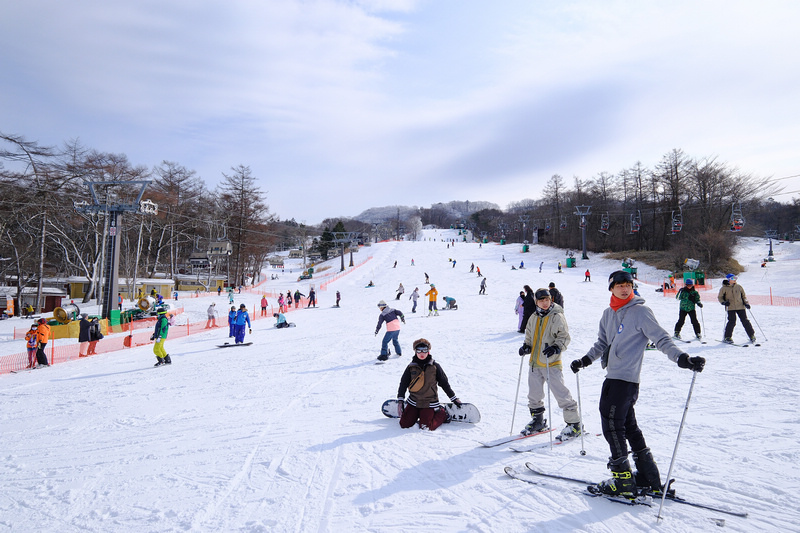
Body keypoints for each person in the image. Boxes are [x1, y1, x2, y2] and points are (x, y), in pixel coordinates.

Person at [570, 270, 706, 498]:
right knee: (629, 427)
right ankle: (648, 477)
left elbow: (661, 338)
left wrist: (683, 359)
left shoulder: (641, 312)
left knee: (612, 426)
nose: (624, 288)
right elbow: (602, 342)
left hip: (626, 380)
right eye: (619, 285)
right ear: (611, 288)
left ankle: (623, 481)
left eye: (628, 284)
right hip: (613, 377)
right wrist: (585, 360)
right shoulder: (607, 314)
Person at [518, 288, 580, 439]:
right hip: (535, 363)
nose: (545, 303)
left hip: (551, 363)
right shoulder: (533, 317)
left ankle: (574, 424)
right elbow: (529, 335)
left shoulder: (557, 316)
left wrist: (557, 347)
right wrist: (526, 346)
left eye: (547, 300)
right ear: (536, 302)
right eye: (541, 300)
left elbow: (564, 336)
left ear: (551, 300)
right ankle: (538, 421)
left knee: (561, 394)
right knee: (534, 394)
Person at [396, 338, 463, 431]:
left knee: (426, 427)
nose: (422, 353)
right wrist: (400, 400)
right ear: (415, 351)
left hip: (429, 402)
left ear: (429, 351)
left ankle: (442, 414)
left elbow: (444, 383)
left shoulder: (435, 366)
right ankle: (417, 413)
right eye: (419, 350)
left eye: (424, 350)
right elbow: (403, 383)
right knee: (404, 424)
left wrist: (454, 398)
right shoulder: (411, 367)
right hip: (414, 401)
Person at [718, 274, 756, 343]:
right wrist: (723, 302)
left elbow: (744, 296)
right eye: (733, 278)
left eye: (735, 278)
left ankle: (751, 335)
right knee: (732, 321)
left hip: (740, 306)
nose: (735, 279)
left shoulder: (739, 287)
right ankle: (727, 337)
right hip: (731, 307)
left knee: (745, 320)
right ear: (729, 279)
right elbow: (720, 297)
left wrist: (746, 303)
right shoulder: (724, 288)